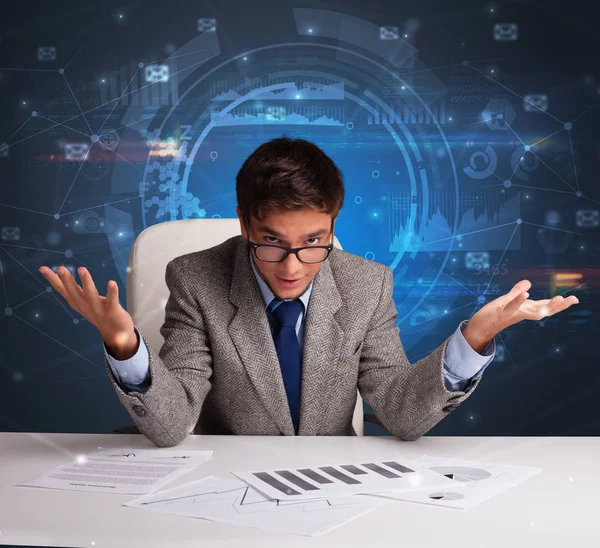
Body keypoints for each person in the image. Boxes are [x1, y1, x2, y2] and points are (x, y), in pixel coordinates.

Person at [38, 136, 579, 447]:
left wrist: (476, 336)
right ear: (246, 225)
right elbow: (172, 422)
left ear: (332, 224)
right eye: (272, 242)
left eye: (313, 242)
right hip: (224, 489)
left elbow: (402, 412)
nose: (293, 266)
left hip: (336, 489)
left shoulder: (367, 284)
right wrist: (123, 342)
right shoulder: (195, 278)